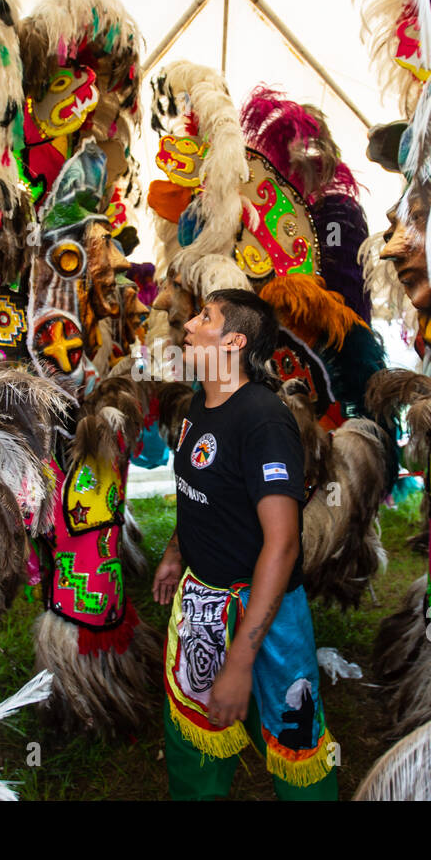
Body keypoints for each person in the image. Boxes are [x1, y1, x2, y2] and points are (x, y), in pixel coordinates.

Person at [153, 288, 338, 800]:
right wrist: (175, 552)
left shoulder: (263, 420)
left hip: (267, 611)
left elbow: (282, 545)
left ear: (232, 341)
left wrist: (239, 662)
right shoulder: (199, 403)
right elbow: (200, 492)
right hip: (201, 604)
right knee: (194, 738)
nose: (188, 326)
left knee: (294, 743)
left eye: (203, 318)